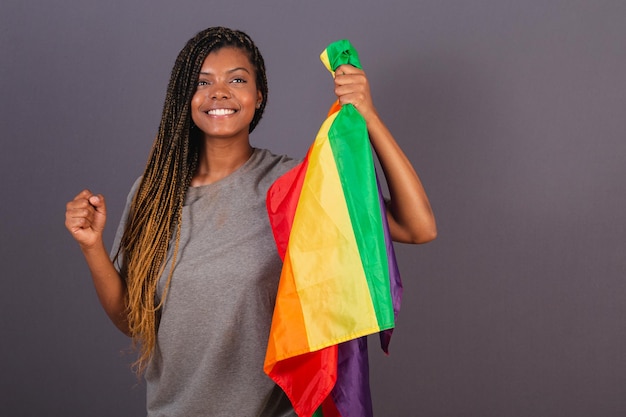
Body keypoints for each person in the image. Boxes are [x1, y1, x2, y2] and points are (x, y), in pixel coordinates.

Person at [65, 26, 436, 417]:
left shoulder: (298, 186)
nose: (219, 92)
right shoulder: (153, 194)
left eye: (237, 80)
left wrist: (369, 116)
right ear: (185, 98)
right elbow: (133, 321)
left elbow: (418, 226)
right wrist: (92, 247)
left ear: (258, 97)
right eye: (202, 82)